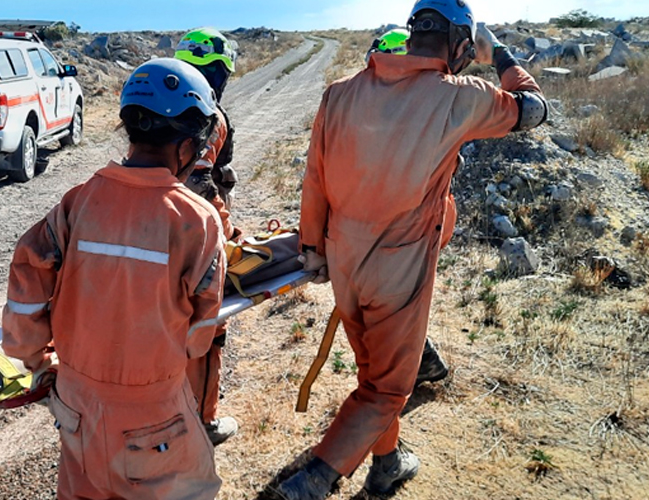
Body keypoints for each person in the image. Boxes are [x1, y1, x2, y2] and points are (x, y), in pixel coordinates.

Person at [276, 1, 548, 498]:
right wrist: (501, 54)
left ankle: (387, 464)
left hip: (342, 258)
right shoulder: (459, 97)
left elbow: (314, 176)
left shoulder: (339, 93)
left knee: (372, 371)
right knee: (386, 389)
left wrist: (313, 248)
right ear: (462, 47)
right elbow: (533, 108)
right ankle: (311, 480)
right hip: (399, 265)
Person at [1, 58, 226, 500]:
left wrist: (33, 357)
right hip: (153, 413)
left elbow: (27, 277)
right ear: (185, 146)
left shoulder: (77, 203)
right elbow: (199, 336)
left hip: (76, 403)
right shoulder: (197, 220)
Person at [366, 26, 452, 387]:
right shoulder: (431, 98)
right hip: (432, 214)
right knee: (401, 299)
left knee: (393, 300)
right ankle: (418, 362)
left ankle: (418, 365)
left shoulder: (391, 107)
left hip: (410, 221)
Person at [175, 27, 241, 445]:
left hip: (155, 227)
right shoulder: (209, 115)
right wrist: (228, 231)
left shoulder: (168, 104)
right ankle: (202, 421)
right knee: (207, 330)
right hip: (196, 237)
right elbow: (200, 180)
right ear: (217, 73)